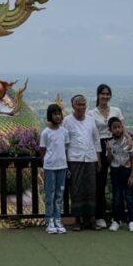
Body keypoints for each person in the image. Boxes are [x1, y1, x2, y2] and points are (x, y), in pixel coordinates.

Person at [63, 93, 101, 230]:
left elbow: (96, 140)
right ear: (73, 106)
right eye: (78, 104)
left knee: (91, 188)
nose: (81, 107)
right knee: (76, 188)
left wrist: (98, 159)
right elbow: (65, 142)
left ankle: (91, 219)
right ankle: (78, 220)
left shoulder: (91, 120)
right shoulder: (67, 121)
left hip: (90, 158)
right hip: (74, 158)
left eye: (83, 104)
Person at [91, 83, 124, 228]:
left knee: (119, 179)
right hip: (100, 146)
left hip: (117, 145)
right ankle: (100, 216)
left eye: (107, 94)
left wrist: (128, 139)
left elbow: (123, 128)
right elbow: (92, 134)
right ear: (98, 95)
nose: (105, 96)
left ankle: (119, 216)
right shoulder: (92, 113)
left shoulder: (116, 110)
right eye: (103, 94)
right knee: (100, 182)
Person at [40, 103, 68, 234]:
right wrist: (46, 163)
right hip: (50, 167)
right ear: (50, 116)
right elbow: (42, 150)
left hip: (62, 166)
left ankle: (57, 219)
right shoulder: (46, 133)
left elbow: (66, 147)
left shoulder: (64, 131)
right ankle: (49, 220)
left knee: (59, 195)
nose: (57, 116)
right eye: (55, 114)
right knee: (49, 194)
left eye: (59, 114)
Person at [107, 116, 133, 232]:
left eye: (119, 127)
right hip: (115, 171)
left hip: (126, 171)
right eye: (114, 128)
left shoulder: (128, 142)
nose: (117, 130)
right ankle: (116, 220)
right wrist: (109, 152)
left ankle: (131, 221)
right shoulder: (110, 143)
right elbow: (109, 161)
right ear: (110, 130)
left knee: (129, 197)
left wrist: (132, 175)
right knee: (117, 198)